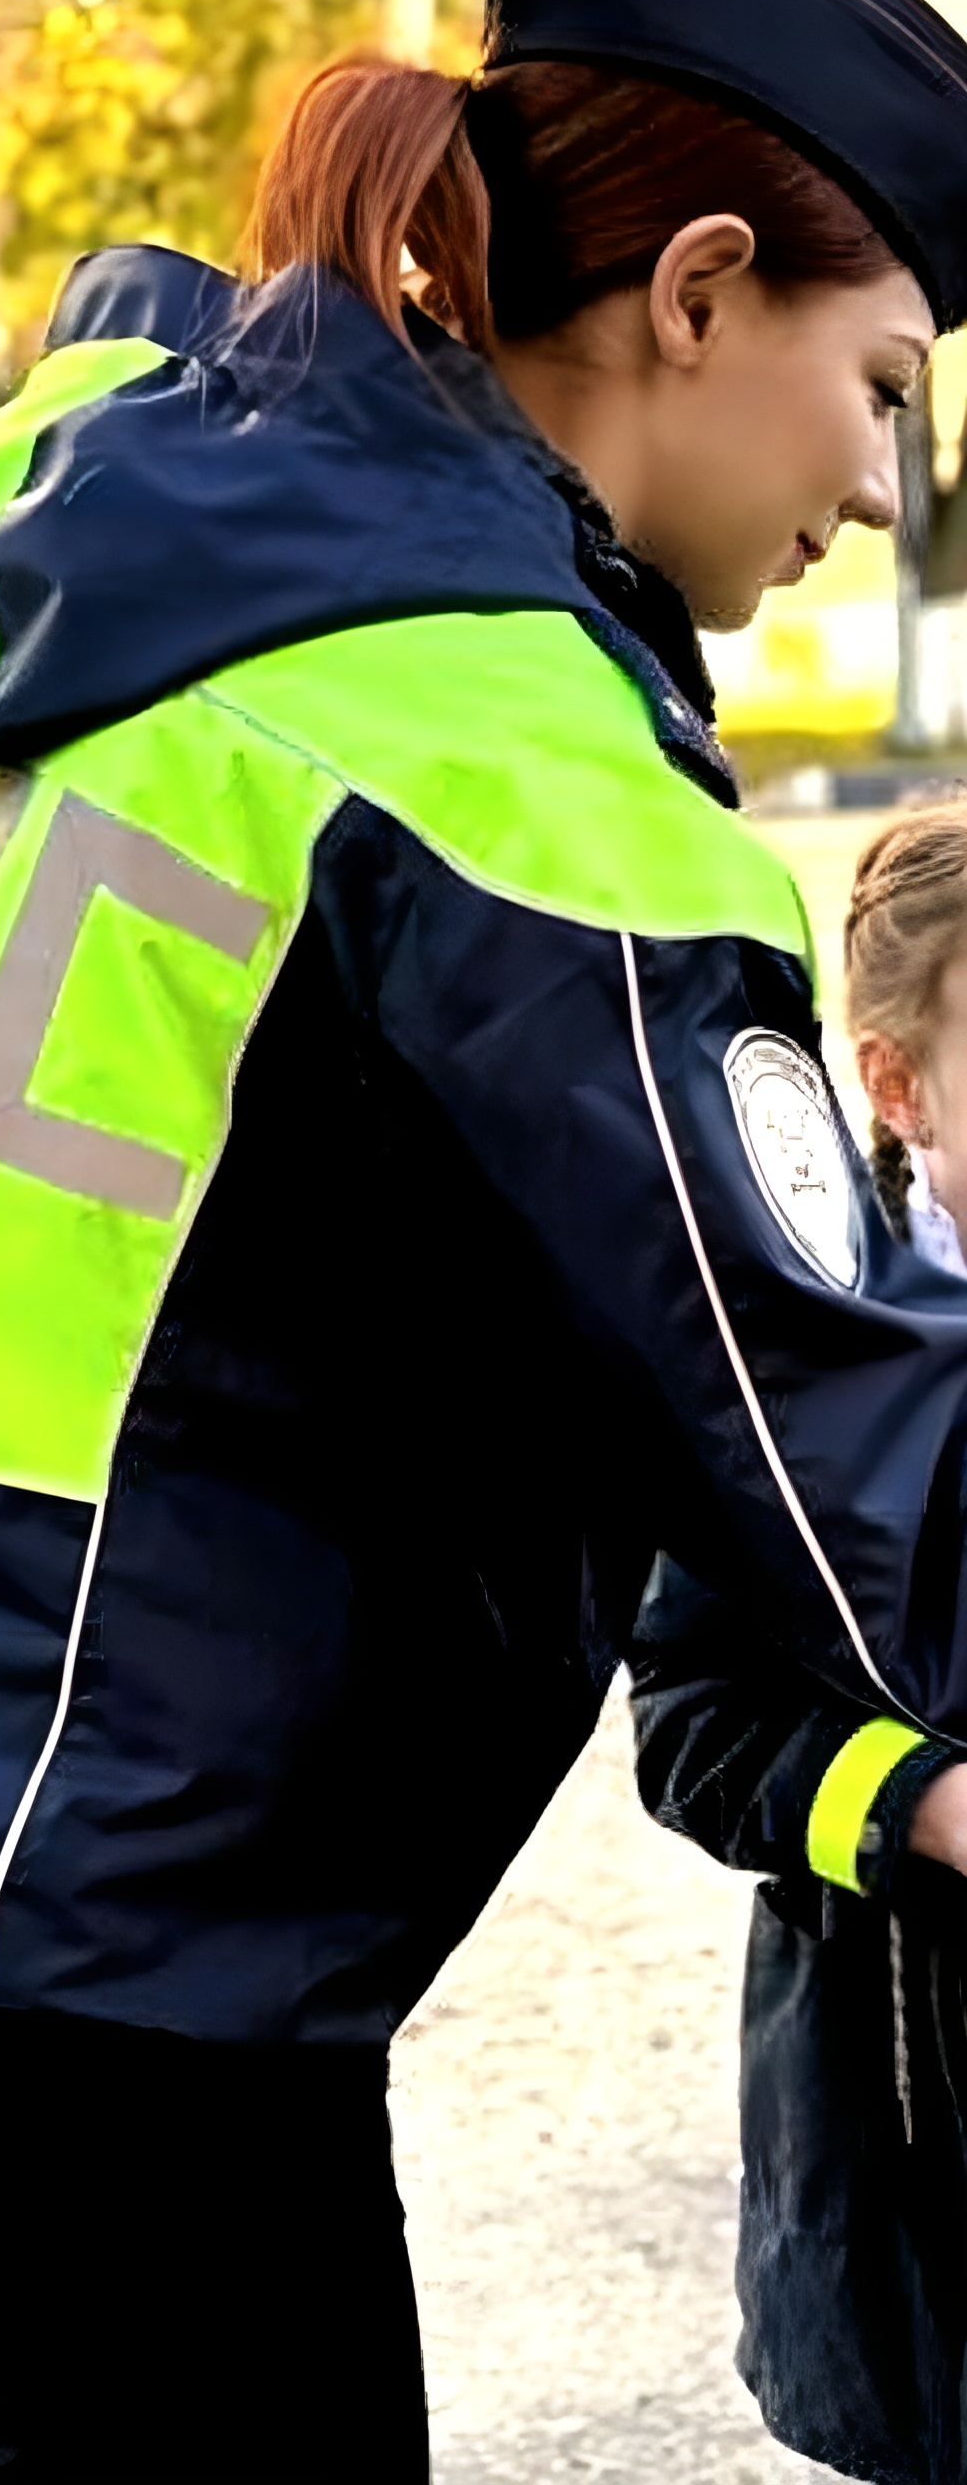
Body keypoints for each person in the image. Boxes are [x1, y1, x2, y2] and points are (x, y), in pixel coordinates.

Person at [0, 0, 967, 2475]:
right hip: (64, 1996)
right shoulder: (511, 775)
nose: (883, 480)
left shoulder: (102, 516)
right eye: (881, 383)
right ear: (694, 296)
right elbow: (868, 1488)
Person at [634, 808, 967, 2485]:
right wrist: (926, 1803)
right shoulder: (806, 1378)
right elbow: (696, 1727)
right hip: (918, 2147)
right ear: (899, 1090)